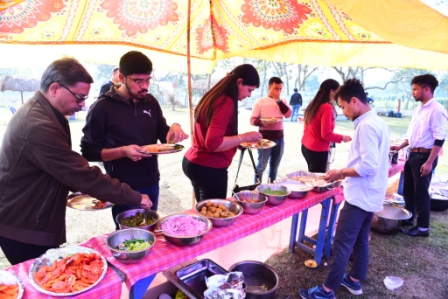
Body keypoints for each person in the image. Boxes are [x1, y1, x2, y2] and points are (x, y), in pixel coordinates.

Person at [0, 57, 151, 265]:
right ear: (54, 88)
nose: (82, 105)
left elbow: (64, 168)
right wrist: (133, 196)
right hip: (24, 226)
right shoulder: (38, 125)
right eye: (79, 97)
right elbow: (79, 173)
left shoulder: (48, 112)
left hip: (29, 219)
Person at [299, 79, 390, 299]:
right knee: (360, 240)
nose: (342, 111)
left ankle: (327, 291)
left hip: (360, 197)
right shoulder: (376, 121)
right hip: (371, 194)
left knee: (341, 244)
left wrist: (341, 172)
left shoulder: (367, 126)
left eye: (343, 106)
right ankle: (354, 280)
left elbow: (369, 166)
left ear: (355, 101)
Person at [81, 51, 188, 229]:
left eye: (148, 80)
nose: (144, 86)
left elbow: (162, 131)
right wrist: (123, 151)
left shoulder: (150, 101)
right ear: (122, 77)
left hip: (152, 181)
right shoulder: (102, 108)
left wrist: (174, 128)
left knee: (150, 229)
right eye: (138, 81)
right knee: (130, 237)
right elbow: (89, 151)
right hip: (123, 188)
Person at [182, 64, 262, 202]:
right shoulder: (226, 101)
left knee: (204, 211)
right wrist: (243, 137)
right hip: (209, 168)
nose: (249, 95)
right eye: (249, 90)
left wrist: (239, 141)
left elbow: (212, 135)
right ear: (239, 82)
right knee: (214, 216)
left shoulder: (213, 95)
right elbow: (213, 143)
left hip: (194, 163)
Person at [391, 74, 447, 237]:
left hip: (425, 156)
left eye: (415, 89)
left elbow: (440, 138)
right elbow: (413, 135)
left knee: (421, 192)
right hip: (412, 154)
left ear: (427, 89)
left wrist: (429, 162)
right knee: (408, 190)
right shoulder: (418, 109)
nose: (413, 92)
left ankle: (423, 227)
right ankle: (408, 218)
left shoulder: (436, 110)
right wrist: (400, 146)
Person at [301, 79, 351, 173]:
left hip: (306, 147)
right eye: (338, 92)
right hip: (317, 150)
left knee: (313, 178)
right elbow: (326, 134)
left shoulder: (314, 104)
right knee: (317, 182)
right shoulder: (326, 107)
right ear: (332, 91)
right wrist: (343, 138)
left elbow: (314, 123)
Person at [250, 77, 292, 183]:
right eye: (275, 88)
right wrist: (262, 122)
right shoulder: (260, 102)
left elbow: (288, 115)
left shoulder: (283, 101)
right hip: (264, 138)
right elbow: (252, 120)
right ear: (269, 87)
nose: (278, 91)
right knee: (261, 166)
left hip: (279, 138)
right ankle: (257, 188)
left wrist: (278, 100)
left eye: (280, 89)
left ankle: (271, 187)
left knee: (274, 167)